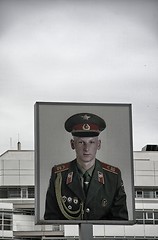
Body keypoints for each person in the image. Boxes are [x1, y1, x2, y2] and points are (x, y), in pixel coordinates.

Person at [44, 112, 128, 220]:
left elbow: (120, 221)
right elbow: (51, 219)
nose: (86, 148)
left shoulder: (113, 176)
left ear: (99, 144)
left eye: (92, 142)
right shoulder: (59, 175)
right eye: (81, 142)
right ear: (72, 144)